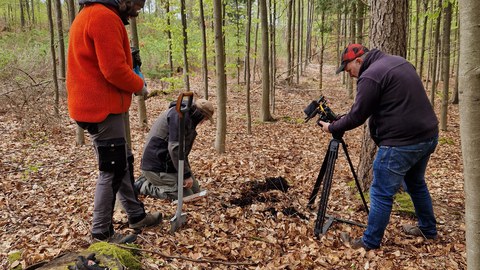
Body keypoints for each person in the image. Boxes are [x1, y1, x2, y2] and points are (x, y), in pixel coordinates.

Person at [320, 44, 439, 250]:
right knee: (415, 183)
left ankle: (369, 242)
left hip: (401, 143)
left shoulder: (371, 75)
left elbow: (357, 116)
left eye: (349, 70)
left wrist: (332, 127)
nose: (350, 76)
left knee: (380, 192)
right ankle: (428, 229)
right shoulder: (398, 61)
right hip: (428, 136)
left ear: (359, 61)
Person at [66, 0, 161, 243]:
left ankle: (136, 215)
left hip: (99, 106)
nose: (140, 8)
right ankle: (102, 233)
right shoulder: (102, 16)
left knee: (123, 161)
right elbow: (114, 69)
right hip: (100, 108)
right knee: (112, 168)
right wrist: (140, 86)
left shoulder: (95, 13)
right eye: (139, 3)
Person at [134, 98, 214, 200]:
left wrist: (187, 172)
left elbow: (182, 152)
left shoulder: (188, 118)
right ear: (200, 114)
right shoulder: (178, 116)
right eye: (205, 119)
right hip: (156, 166)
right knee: (186, 196)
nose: (204, 122)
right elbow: (175, 148)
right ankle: (143, 186)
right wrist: (185, 175)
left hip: (169, 165)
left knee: (196, 192)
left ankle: (157, 181)